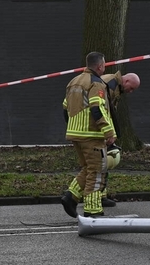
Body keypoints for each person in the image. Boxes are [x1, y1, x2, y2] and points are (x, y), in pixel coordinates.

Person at [59, 52, 117, 218]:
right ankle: (92, 210)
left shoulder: (73, 81)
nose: (104, 68)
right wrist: (108, 131)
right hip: (91, 135)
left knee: (88, 168)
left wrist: (72, 126)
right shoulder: (96, 83)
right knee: (97, 171)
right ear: (100, 66)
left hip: (75, 133)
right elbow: (97, 108)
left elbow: (65, 107)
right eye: (104, 65)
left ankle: (71, 197)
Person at [99, 72, 141, 207]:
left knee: (104, 162)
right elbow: (101, 111)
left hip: (101, 130)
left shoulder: (115, 87)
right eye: (132, 88)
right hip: (98, 131)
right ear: (127, 81)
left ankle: (100, 195)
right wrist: (108, 133)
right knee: (103, 162)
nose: (131, 92)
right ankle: (75, 193)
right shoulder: (110, 85)